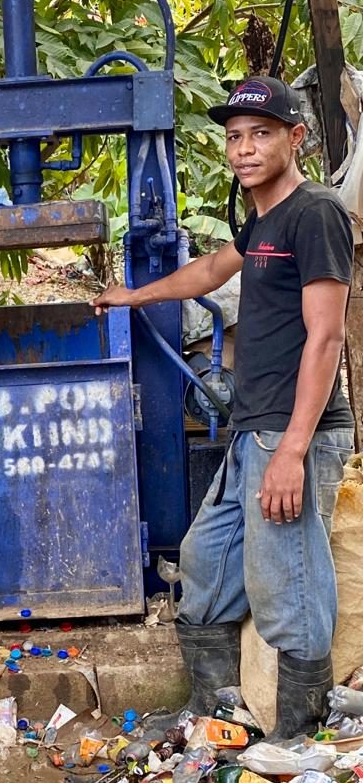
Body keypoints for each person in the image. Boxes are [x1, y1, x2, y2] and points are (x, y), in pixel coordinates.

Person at [93, 76, 354, 739]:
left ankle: (301, 738)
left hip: (292, 434)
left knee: (286, 588)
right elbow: (212, 270)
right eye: (235, 137)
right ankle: (213, 716)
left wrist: (293, 450)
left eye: (261, 133)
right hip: (252, 431)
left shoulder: (316, 213)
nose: (244, 148)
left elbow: (326, 335)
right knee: (205, 567)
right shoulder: (265, 220)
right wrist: (135, 296)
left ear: (296, 138)